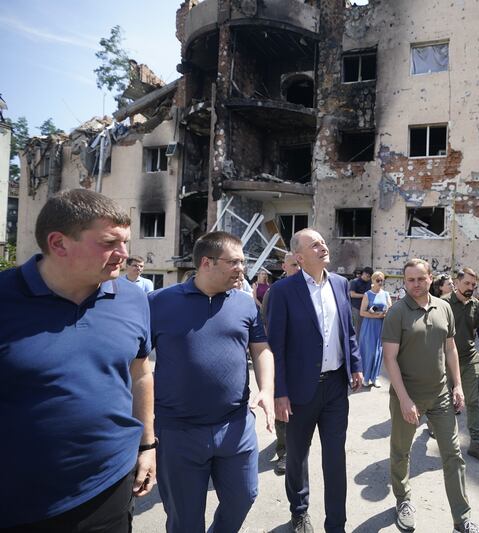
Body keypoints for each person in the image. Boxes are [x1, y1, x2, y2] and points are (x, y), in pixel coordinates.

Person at [0, 189, 156, 531]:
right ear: (59, 244)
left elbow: (140, 372)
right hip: (18, 499)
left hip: (110, 486)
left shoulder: (133, 298)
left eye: (126, 241)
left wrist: (148, 445)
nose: (124, 254)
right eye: (109, 242)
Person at [148, 231, 275, 533]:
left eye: (243, 262)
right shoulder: (158, 303)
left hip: (236, 426)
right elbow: (135, 363)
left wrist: (267, 389)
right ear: (206, 262)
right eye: (235, 262)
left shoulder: (246, 304)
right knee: (185, 519)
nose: (242, 269)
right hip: (179, 431)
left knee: (244, 496)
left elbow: (261, 349)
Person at [267, 228, 363, 533]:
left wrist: (356, 366)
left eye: (323, 242)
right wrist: (279, 392)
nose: (323, 247)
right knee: (297, 455)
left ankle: (336, 523)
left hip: (335, 386)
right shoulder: (282, 291)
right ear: (299, 256)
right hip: (298, 390)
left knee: (335, 457)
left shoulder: (340, 283)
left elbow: (347, 331)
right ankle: (299, 511)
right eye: (315, 244)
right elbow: (275, 346)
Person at [382, 258, 479, 533]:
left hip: (440, 396)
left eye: (420, 278)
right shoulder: (397, 313)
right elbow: (389, 360)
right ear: (404, 282)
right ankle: (403, 500)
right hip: (408, 397)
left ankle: (462, 519)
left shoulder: (444, 307)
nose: (415, 284)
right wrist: (403, 399)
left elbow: (450, 349)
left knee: (453, 456)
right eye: (410, 280)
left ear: (430, 278)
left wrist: (457, 385)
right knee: (401, 452)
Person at [441, 268, 479, 467]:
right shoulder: (443, 304)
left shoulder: (476, 305)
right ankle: (447, 443)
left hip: (469, 358)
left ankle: (475, 443)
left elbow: (472, 330)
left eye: (474, 285)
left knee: (473, 400)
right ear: (457, 282)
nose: (471, 288)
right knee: (444, 404)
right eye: (467, 284)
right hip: (445, 360)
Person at [262, 252, 302, 476]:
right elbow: (268, 328)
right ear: (284, 267)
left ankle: (294, 446)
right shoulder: (275, 292)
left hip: (306, 364)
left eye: (300, 264)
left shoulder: (311, 290)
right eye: (293, 265)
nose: (298, 268)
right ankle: (284, 452)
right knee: (282, 409)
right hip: (281, 361)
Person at [358, 270, 392, 387]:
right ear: (373, 281)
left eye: (382, 280)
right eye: (378, 280)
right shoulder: (367, 294)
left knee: (379, 352)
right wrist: (374, 314)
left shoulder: (386, 294)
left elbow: (390, 309)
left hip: (381, 325)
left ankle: (375, 377)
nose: (380, 282)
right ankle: (366, 377)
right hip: (369, 326)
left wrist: (386, 313)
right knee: (369, 352)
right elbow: (362, 312)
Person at [349, 266, 373, 336]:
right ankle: (357, 345)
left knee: (366, 328)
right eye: (367, 276)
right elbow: (352, 294)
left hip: (367, 308)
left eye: (369, 277)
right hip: (357, 307)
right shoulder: (354, 282)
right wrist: (365, 295)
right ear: (364, 274)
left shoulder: (370, 282)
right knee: (358, 328)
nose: (368, 278)